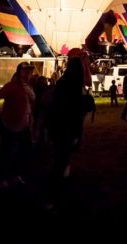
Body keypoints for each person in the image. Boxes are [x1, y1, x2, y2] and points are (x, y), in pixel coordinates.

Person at [45, 55, 88, 207]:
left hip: (59, 126)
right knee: (61, 160)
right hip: (66, 126)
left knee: (62, 158)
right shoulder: (72, 86)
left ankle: (59, 186)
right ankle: (52, 198)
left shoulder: (63, 83)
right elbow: (75, 109)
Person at [0, 61, 36, 188]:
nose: (28, 73)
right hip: (10, 126)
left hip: (24, 127)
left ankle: (16, 175)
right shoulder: (11, 86)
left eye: (30, 71)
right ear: (19, 72)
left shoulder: (28, 87)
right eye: (25, 70)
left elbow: (30, 104)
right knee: (6, 153)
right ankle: (1, 178)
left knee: (25, 151)